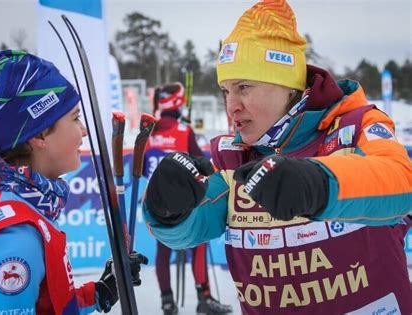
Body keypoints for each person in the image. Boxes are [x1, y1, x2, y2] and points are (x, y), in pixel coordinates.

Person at [142, 1, 412, 314]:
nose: (232, 106)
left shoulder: (354, 126)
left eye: (243, 87)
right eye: (226, 91)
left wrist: (317, 184)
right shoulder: (232, 158)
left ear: (288, 86)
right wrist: (165, 209)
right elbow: (190, 229)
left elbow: (402, 183)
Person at [0, 50, 148, 315]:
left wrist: (101, 292)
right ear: (39, 135)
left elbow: (50, 306)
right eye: (74, 117)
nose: (83, 130)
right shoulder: (15, 239)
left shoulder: (13, 200)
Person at [144, 82, 233, 315]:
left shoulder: (149, 131)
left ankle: (167, 301)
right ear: (178, 103)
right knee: (198, 244)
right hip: (186, 203)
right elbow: (203, 166)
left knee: (162, 250)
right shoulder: (184, 131)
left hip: (155, 204)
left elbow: (143, 169)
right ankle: (204, 297)